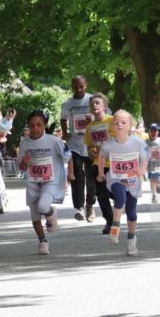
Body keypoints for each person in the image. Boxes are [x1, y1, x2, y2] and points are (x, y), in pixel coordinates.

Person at [17, 111, 72, 255]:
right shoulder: (24, 143)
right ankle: (43, 241)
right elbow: (21, 167)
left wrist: (71, 173)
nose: (35, 128)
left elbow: (68, 155)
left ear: (44, 125)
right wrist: (24, 161)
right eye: (32, 125)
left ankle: (50, 212)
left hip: (50, 182)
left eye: (39, 125)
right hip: (33, 183)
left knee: (42, 207)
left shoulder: (53, 141)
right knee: (35, 217)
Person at [96, 110, 148, 256]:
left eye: (123, 122)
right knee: (120, 198)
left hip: (133, 181)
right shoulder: (108, 144)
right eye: (117, 122)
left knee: (131, 212)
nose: (120, 125)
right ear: (112, 125)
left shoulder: (138, 142)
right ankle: (115, 228)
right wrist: (100, 173)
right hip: (115, 178)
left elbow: (145, 157)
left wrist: (141, 170)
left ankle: (131, 240)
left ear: (130, 125)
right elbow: (101, 156)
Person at [60, 76, 95, 222]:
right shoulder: (68, 103)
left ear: (86, 85)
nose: (78, 89)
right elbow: (63, 119)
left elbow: (102, 116)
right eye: (75, 87)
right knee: (77, 177)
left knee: (91, 178)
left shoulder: (92, 100)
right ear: (72, 86)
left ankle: (90, 205)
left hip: (91, 144)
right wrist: (65, 133)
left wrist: (92, 120)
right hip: (74, 145)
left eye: (81, 86)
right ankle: (79, 207)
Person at [84, 93, 115, 234]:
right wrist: (91, 152)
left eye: (97, 103)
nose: (94, 105)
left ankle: (122, 200)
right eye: (92, 104)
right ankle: (110, 222)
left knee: (114, 192)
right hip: (99, 164)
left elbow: (124, 138)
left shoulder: (113, 121)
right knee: (102, 194)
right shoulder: (90, 127)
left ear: (105, 106)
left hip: (115, 162)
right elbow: (89, 147)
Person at [145, 123, 160, 203]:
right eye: (152, 130)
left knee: (159, 179)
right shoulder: (146, 142)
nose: (153, 132)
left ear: (158, 132)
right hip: (151, 165)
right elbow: (143, 152)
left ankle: (159, 185)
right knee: (152, 180)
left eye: (155, 130)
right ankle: (154, 196)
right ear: (149, 132)